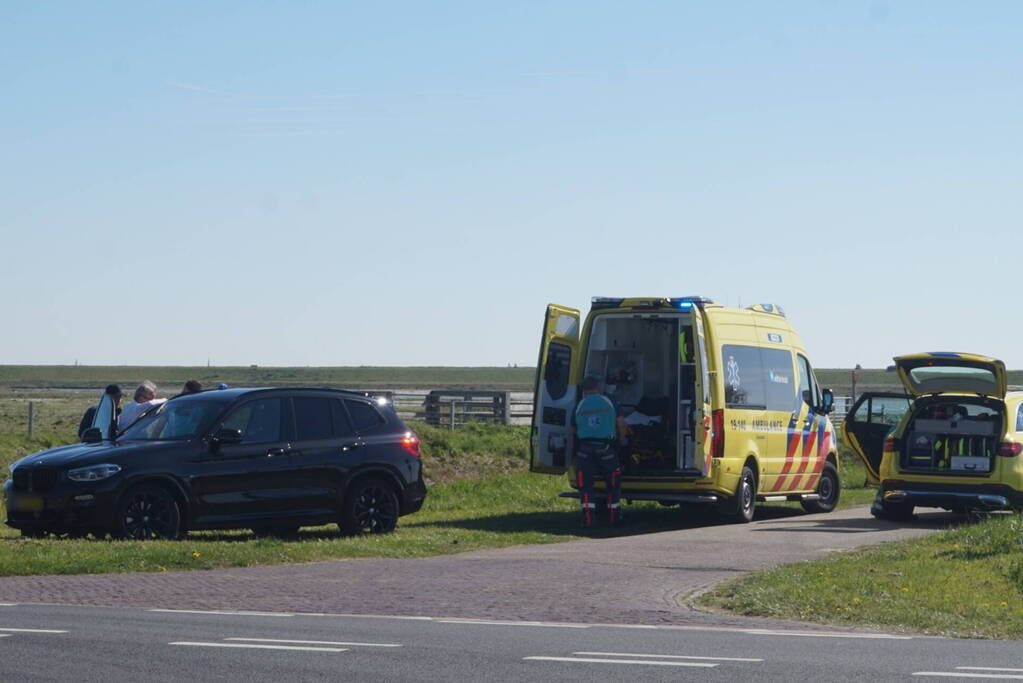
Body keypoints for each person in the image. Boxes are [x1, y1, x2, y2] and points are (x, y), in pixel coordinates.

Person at [571, 374, 628, 527]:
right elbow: (621, 423)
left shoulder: (580, 405)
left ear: (584, 389)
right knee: (613, 484)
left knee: (586, 486)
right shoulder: (608, 401)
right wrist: (621, 441)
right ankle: (614, 518)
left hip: (585, 450)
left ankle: (589, 520)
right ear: (598, 387)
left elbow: (573, 428)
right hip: (606, 448)